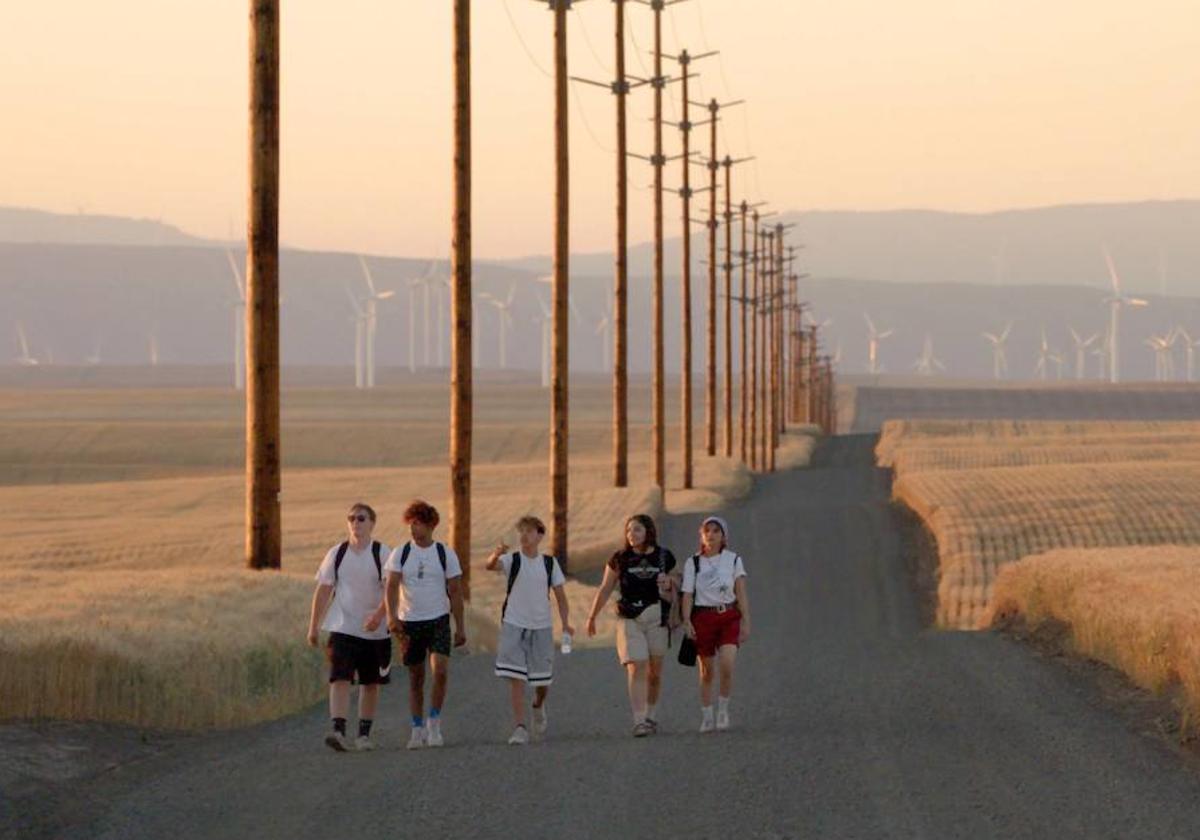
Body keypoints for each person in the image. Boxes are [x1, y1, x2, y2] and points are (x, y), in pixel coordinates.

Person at [307, 502, 392, 752]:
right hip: (343, 626)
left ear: (372, 524)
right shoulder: (337, 553)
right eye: (352, 518)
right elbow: (323, 590)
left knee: (370, 682)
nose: (356, 523)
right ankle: (338, 730)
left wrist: (379, 616)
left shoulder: (382, 552)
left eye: (361, 519)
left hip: (375, 631)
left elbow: (392, 590)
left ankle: (364, 735)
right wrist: (314, 626)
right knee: (339, 677)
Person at [585, 514, 678, 737]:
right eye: (628, 531)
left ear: (648, 531)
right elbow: (606, 588)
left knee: (654, 672)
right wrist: (592, 617)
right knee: (636, 665)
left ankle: (651, 715)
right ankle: (639, 720)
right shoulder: (620, 558)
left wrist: (670, 583)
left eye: (636, 530)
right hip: (629, 618)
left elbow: (679, 585)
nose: (631, 535)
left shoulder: (664, 556)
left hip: (657, 617)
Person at [384, 500, 466, 750]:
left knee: (440, 671)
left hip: (438, 620)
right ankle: (417, 728)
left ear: (430, 525)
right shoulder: (401, 553)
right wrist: (391, 616)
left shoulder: (444, 553)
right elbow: (391, 586)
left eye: (417, 524)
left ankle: (434, 723)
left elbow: (455, 590)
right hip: (409, 622)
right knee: (415, 677)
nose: (413, 529)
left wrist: (460, 626)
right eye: (410, 524)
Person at [485, 515, 574, 746]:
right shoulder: (511, 559)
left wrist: (566, 623)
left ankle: (538, 704)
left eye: (529, 531)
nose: (524, 535)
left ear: (540, 535)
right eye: (521, 531)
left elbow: (561, 597)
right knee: (516, 677)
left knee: (542, 681)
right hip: (513, 624)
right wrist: (496, 553)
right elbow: (490, 565)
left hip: (542, 627)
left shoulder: (549, 563)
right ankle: (520, 727)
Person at [680, 515, 751, 733]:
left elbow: (740, 591)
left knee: (727, 664)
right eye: (707, 531)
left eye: (716, 531)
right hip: (703, 618)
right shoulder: (693, 562)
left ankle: (723, 710)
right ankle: (707, 714)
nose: (711, 535)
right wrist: (686, 621)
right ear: (701, 535)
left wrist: (746, 621)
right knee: (707, 670)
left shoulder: (733, 560)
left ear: (723, 536)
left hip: (728, 616)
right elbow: (687, 594)